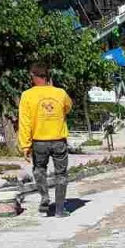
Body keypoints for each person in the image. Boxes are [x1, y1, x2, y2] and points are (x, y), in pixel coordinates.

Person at [18, 63, 73, 218]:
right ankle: (60, 210)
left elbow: (25, 122)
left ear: (33, 76)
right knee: (61, 174)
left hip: (39, 142)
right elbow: (68, 107)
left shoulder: (27, 95)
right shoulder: (60, 93)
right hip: (59, 141)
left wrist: (25, 145)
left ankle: (44, 198)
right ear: (48, 77)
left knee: (39, 170)